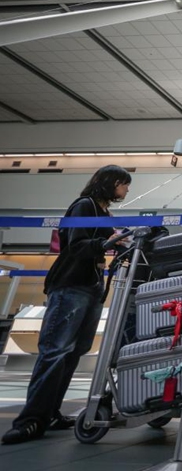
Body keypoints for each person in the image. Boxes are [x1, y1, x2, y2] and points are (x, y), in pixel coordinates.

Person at [2, 165, 131, 445]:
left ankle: (50, 412)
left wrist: (120, 242)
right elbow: (75, 245)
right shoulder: (84, 206)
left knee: (74, 352)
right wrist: (108, 242)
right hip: (71, 286)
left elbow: (106, 242)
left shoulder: (103, 211)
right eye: (124, 183)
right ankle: (30, 420)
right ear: (110, 182)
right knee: (56, 352)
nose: (127, 189)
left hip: (91, 287)